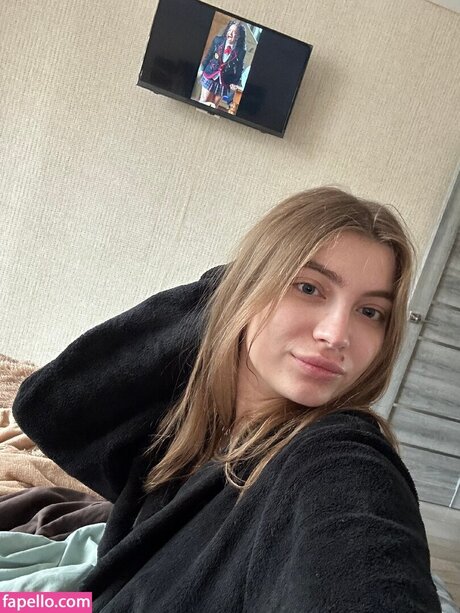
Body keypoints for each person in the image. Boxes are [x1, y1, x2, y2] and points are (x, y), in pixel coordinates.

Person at [13, 187, 442, 612]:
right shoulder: (184, 433)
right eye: (309, 287)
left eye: (370, 312)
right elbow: (50, 407)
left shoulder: (340, 459)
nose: (336, 334)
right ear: (248, 290)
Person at [199, 20, 246, 108]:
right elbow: (209, 55)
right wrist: (202, 68)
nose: (230, 33)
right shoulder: (218, 40)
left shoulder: (241, 51)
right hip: (210, 74)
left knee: (214, 105)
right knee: (204, 100)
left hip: (225, 80)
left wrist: (235, 82)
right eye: (229, 30)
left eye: (234, 32)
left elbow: (239, 68)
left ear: (238, 36)